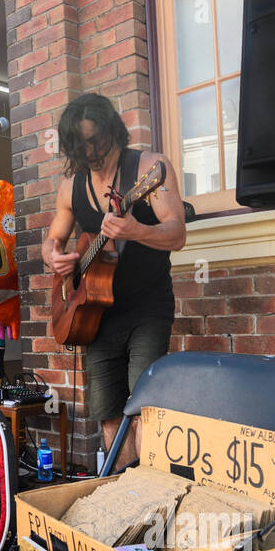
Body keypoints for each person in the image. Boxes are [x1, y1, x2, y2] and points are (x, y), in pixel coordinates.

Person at [41, 93, 186, 457]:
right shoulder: (70, 188)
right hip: (95, 317)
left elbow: (178, 234)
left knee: (143, 411)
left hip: (147, 308)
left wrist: (136, 230)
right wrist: (55, 258)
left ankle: (150, 501)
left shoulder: (148, 169)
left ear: (114, 133)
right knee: (108, 416)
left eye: (95, 141)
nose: (89, 152)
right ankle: (126, 493)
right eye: (79, 145)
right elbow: (52, 242)